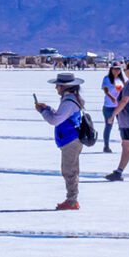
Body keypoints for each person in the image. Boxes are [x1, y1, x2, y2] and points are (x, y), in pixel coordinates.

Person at [35, 73, 85, 210]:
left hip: (71, 140)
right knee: (71, 170)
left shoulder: (68, 101)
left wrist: (43, 112)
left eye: (58, 85)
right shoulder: (71, 99)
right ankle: (72, 199)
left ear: (64, 87)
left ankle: (72, 201)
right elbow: (61, 115)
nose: (56, 88)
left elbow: (55, 120)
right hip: (71, 139)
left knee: (70, 171)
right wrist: (48, 108)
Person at [100, 63, 125, 153]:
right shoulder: (107, 79)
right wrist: (112, 97)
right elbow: (106, 90)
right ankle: (106, 146)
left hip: (118, 107)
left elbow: (121, 93)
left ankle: (125, 144)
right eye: (115, 69)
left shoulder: (119, 80)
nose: (117, 70)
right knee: (108, 126)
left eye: (118, 69)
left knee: (122, 126)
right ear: (111, 69)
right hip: (108, 107)